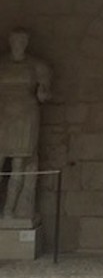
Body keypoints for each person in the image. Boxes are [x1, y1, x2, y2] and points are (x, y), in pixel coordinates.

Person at [0, 29, 52, 223]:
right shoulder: (2, 64)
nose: (18, 44)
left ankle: (9, 211)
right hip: (2, 114)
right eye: (15, 40)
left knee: (18, 164)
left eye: (22, 41)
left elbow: (46, 93)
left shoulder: (37, 66)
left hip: (25, 116)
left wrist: (43, 93)